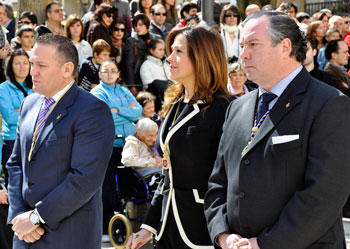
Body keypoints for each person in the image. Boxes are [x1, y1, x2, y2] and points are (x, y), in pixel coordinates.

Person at [204, 11, 350, 249]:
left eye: (253, 44)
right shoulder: (237, 108)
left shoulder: (329, 104)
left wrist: (263, 244)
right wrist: (223, 234)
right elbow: (218, 182)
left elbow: (325, 194)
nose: (243, 54)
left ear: (284, 47)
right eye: (242, 45)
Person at [127, 25, 232, 249]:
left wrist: (226, 233)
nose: (169, 58)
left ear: (201, 57)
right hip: (167, 226)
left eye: (178, 52)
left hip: (204, 228)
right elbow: (168, 175)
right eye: (170, 51)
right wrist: (149, 226)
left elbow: (232, 177)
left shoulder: (224, 108)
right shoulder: (174, 104)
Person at [7, 34, 115, 248]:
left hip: (68, 236)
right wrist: (19, 216)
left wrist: (35, 218)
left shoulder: (91, 110)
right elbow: (16, 164)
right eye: (31, 63)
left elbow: (84, 179)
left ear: (67, 69)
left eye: (41, 65)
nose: (32, 71)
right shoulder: (29, 103)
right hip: (25, 236)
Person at [91, 59, 142, 241]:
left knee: (130, 188)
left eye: (113, 70)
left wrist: (117, 111)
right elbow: (105, 116)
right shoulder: (97, 92)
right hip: (108, 146)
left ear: (118, 74)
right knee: (107, 189)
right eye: (106, 71)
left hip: (127, 145)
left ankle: (133, 225)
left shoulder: (124, 91)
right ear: (100, 74)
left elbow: (139, 111)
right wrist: (126, 115)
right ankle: (106, 229)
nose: (110, 74)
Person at [0, 49, 34, 187]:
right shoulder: (3, 88)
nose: (22, 67)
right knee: (14, 188)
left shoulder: (36, 87)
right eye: (17, 63)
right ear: (11, 66)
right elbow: (10, 118)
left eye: (25, 63)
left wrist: (20, 110)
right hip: (13, 141)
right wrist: (33, 111)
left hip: (35, 141)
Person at [123, 14, 161, 94]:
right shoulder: (131, 41)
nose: (137, 27)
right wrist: (132, 85)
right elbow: (129, 65)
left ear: (147, 25)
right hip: (139, 78)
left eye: (140, 25)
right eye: (135, 25)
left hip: (158, 75)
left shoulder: (156, 38)